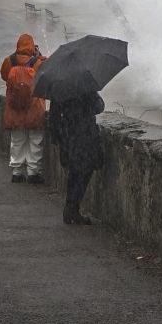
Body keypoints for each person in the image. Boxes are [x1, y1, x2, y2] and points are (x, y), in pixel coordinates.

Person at [48, 88, 105, 225]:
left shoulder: (60, 88)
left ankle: (71, 208)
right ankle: (72, 209)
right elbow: (98, 107)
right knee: (84, 171)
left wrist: (56, 136)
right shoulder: (86, 85)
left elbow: (54, 114)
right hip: (85, 133)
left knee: (74, 171)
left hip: (68, 134)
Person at [0, 33, 47, 184]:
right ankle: (33, 172)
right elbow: (46, 73)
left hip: (15, 108)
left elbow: (4, 75)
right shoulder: (37, 62)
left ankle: (17, 171)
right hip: (34, 108)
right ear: (32, 46)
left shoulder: (10, 60)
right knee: (35, 140)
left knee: (17, 140)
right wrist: (39, 56)